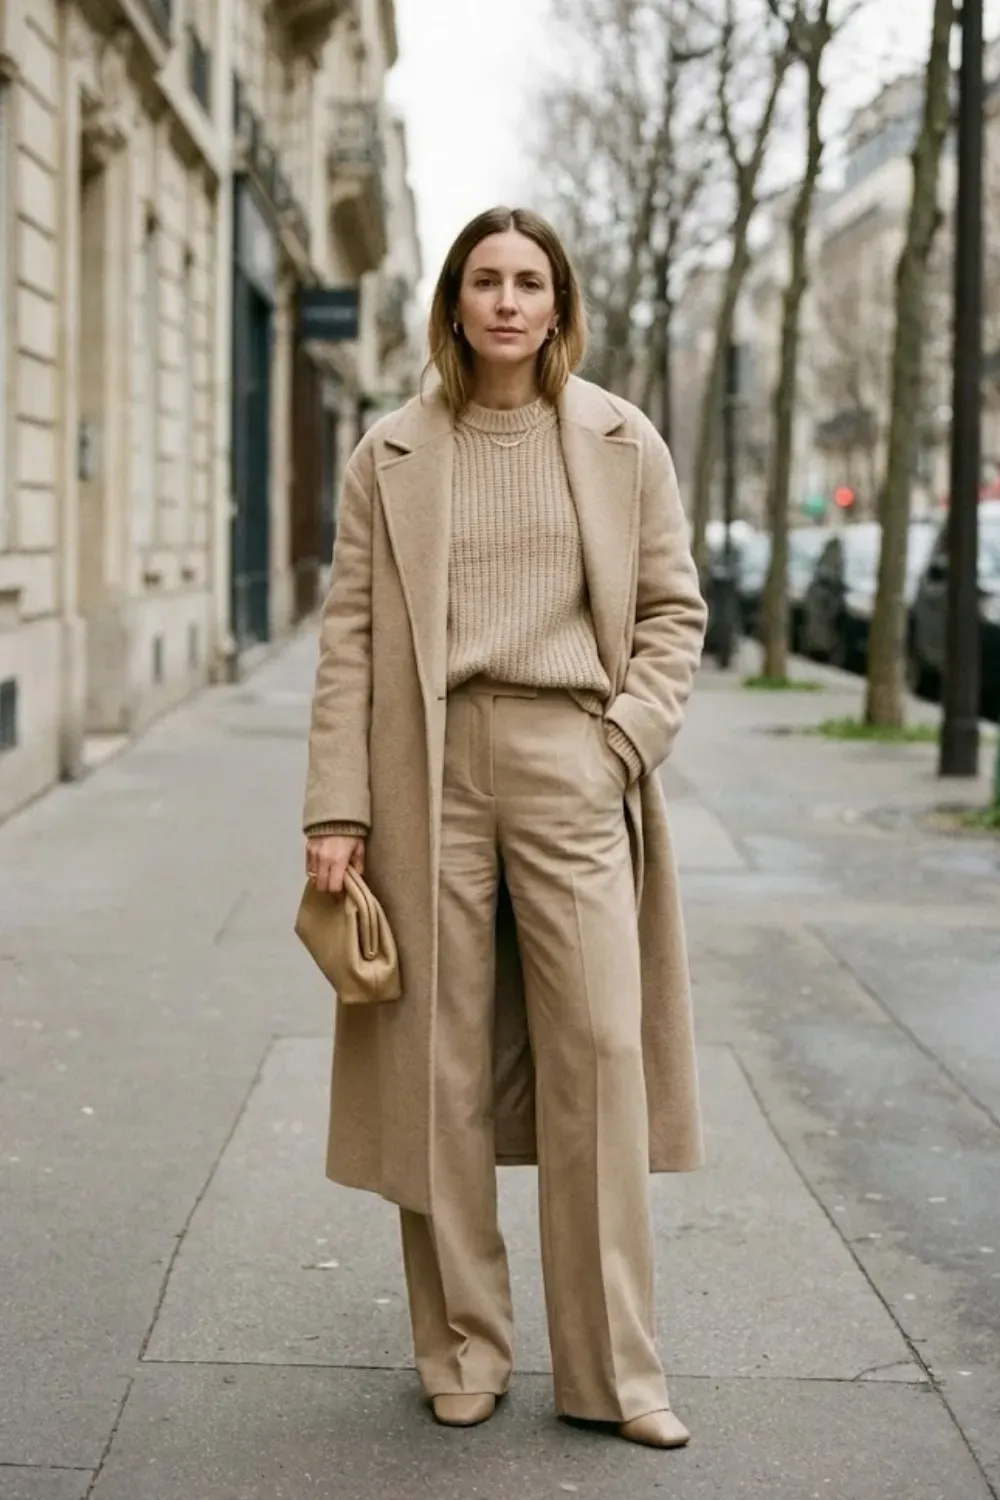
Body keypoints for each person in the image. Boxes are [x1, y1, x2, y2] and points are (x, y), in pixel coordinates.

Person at [302, 206, 707, 1448]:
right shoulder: (391, 453)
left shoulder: (619, 439)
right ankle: (463, 1344)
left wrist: (621, 743)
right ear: (454, 302)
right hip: (424, 766)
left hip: (571, 760)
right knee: (441, 1059)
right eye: (485, 280)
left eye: (530, 281)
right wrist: (336, 808)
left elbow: (670, 615)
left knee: (599, 1048)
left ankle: (613, 1372)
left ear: (558, 303)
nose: (508, 302)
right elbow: (351, 640)